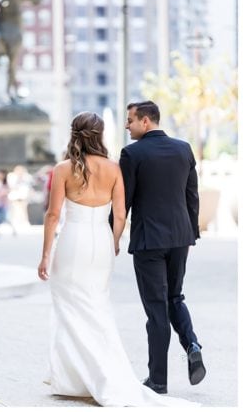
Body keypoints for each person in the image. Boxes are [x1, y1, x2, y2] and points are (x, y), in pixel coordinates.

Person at [36, 112, 197, 407]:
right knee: (97, 306)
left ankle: (77, 377)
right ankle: (98, 374)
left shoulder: (62, 169)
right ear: (100, 135)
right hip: (101, 243)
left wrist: (46, 254)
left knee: (68, 307)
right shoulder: (113, 168)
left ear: (74, 134)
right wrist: (112, 243)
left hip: (72, 242)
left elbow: (53, 216)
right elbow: (121, 215)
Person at [121, 101, 204, 394]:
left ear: (145, 121)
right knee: (175, 297)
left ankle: (158, 380)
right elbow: (192, 196)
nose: (126, 125)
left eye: (130, 120)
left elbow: (124, 202)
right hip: (180, 238)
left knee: (156, 310)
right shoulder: (183, 149)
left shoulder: (132, 154)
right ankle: (192, 343)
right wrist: (190, 234)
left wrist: (111, 235)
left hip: (148, 241)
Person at [0, 169, 15, 238]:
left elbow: (9, 190)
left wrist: (4, 193)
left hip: (4, 203)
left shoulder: (6, 183)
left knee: (6, 218)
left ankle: (13, 229)